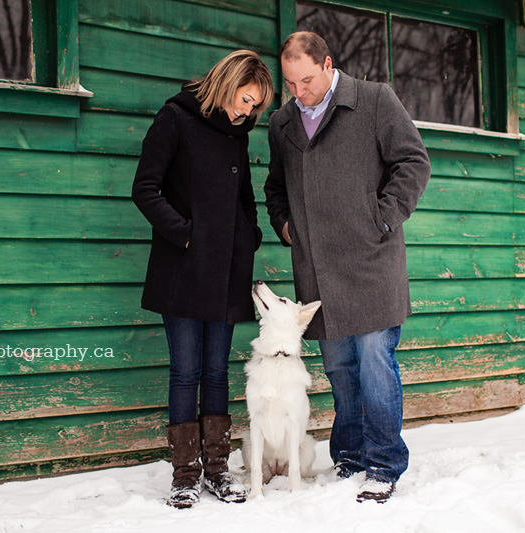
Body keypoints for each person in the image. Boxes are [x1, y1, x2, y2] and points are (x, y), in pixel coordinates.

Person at [264, 32, 431, 503]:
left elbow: (413, 162)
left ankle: (383, 462)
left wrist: (382, 217)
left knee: (376, 364)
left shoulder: (375, 100)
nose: (300, 92)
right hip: (318, 270)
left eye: (308, 80)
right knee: (339, 368)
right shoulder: (282, 123)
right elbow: (275, 187)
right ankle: (351, 456)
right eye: (291, 83)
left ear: (329, 64)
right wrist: (285, 227)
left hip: (372, 262)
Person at [132, 50, 274, 509]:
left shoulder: (237, 135)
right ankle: (184, 474)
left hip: (229, 268)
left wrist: (247, 237)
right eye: (245, 99)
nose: (246, 111)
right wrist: (186, 236)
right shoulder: (176, 117)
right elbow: (145, 189)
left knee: (216, 373)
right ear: (227, 83)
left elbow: (246, 199)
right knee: (186, 372)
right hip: (185, 269)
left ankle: (217, 469)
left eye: (255, 107)